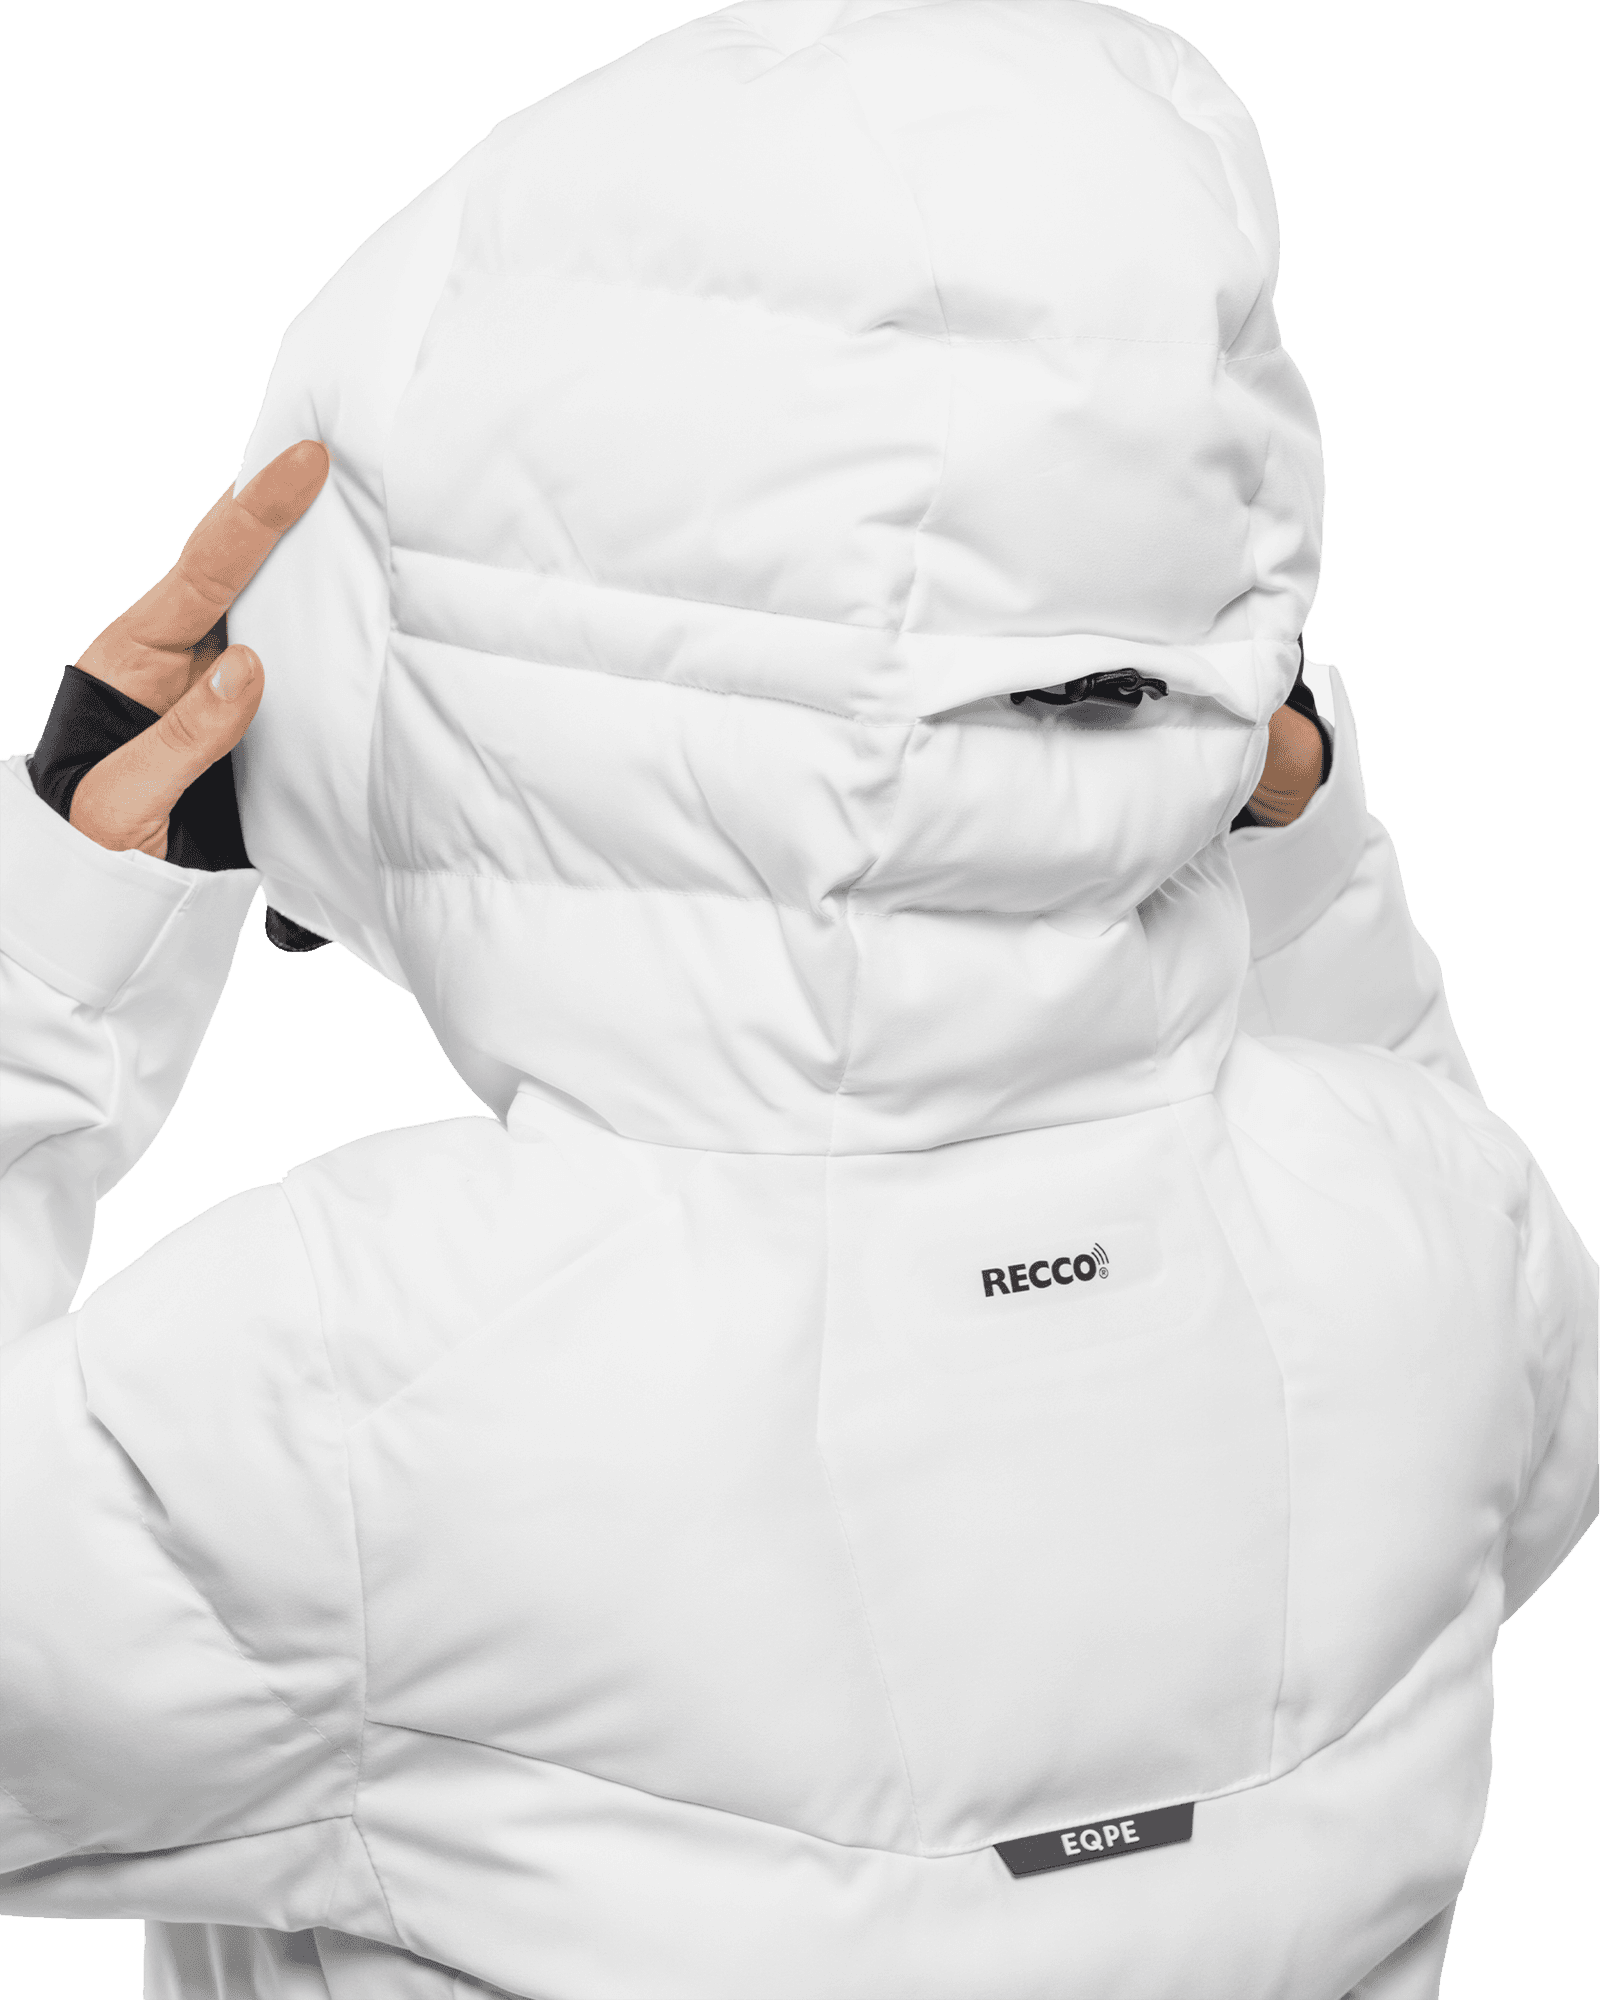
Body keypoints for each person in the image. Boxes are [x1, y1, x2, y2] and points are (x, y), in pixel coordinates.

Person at [1, 4, 1592, 1997]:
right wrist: (1275, 839)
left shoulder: (358, 1374)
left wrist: (52, 942)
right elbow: (1485, 1443)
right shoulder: (1449, 1240)